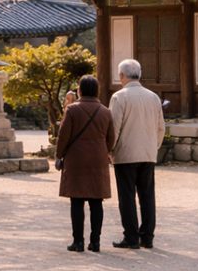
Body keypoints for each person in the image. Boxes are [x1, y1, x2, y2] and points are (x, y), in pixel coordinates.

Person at [108, 58, 165, 250]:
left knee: (127, 196)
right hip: (147, 153)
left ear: (122, 75)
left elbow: (114, 128)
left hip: (126, 153)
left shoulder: (119, 97)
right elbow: (160, 128)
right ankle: (147, 236)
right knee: (147, 196)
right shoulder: (153, 97)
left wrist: (110, 149)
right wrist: (153, 146)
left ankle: (131, 236)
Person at [55, 75, 116, 253]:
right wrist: (103, 150)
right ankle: (95, 242)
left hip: (76, 159)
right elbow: (111, 138)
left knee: (77, 201)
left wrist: (59, 156)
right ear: (96, 90)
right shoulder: (105, 111)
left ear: (79, 90)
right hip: (98, 159)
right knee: (97, 202)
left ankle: (78, 242)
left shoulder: (72, 110)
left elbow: (63, 135)